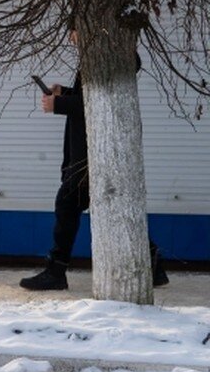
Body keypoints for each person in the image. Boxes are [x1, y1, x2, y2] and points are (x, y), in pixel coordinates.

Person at [20, 32, 168, 291]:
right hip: (89, 153)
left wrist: (59, 103)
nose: (71, 37)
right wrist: (63, 93)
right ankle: (154, 264)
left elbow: (101, 102)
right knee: (106, 207)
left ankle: (56, 271)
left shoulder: (113, 57)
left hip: (92, 155)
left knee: (69, 204)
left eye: (74, 31)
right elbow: (89, 96)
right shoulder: (98, 58)